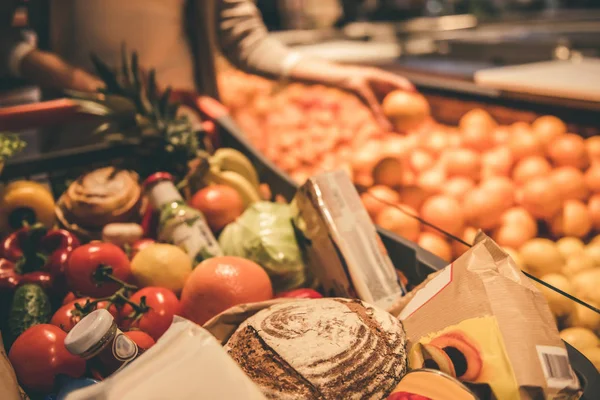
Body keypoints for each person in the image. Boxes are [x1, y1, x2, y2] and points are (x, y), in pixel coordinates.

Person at [0, 0, 414, 130]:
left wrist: (341, 74)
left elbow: (243, 36)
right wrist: (77, 82)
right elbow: (6, 41)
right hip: (82, 132)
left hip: (188, 128)